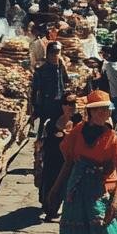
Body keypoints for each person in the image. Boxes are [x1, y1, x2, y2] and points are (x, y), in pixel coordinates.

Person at [48, 91, 117, 234]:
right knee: (80, 223)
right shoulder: (77, 132)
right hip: (76, 187)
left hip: (97, 188)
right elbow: (68, 162)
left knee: (99, 225)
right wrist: (56, 188)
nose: (105, 113)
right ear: (91, 112)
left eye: (107, 110)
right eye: (101, 110)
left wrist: (115, 202)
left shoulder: (111, 137)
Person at [37, 93, 82, 221]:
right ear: (63, 106)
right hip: (53, 157)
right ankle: (50, 207)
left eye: (74, 103)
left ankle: (59, 206)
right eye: (70, 104)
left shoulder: (78, 119)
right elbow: (48, 139)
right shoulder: (53, 121)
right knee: (51, 181)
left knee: (65, 183)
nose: (73, 107)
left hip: (69, 157)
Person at [30, 41, 69, 129]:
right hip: (46, 104)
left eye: (57, 52)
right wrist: (35, 110)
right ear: (47, 54)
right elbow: (35, 91)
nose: (55, 55)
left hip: (60, 103)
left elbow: (66, 80)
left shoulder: (61, 67)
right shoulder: (41, 71)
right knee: (44, 129)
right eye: (52, 53)